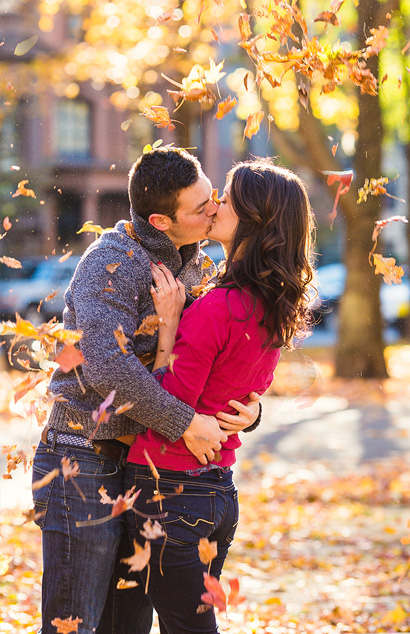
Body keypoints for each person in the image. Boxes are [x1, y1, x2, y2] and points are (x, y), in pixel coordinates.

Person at [31, 148, 260, 634]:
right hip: (83, 460)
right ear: (160, 219)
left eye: (212, 198)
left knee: (128, 625)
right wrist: (184, 422)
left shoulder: (195, 264)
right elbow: (105, 366)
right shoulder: (111, 263)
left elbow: (217, 358)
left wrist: (252, 411)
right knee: (75, 624)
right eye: (200, 209)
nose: (214, 210)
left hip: (143, 470)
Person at [121, 160, 316, 632]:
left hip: (168, 489)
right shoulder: (271, 305)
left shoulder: (217, 307)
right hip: (218, 493)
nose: (216, 205)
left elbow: (170, 402)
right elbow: (234, 396)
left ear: (251, 219)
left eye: (226, 197)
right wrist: (251, 415)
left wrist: (169, 327)